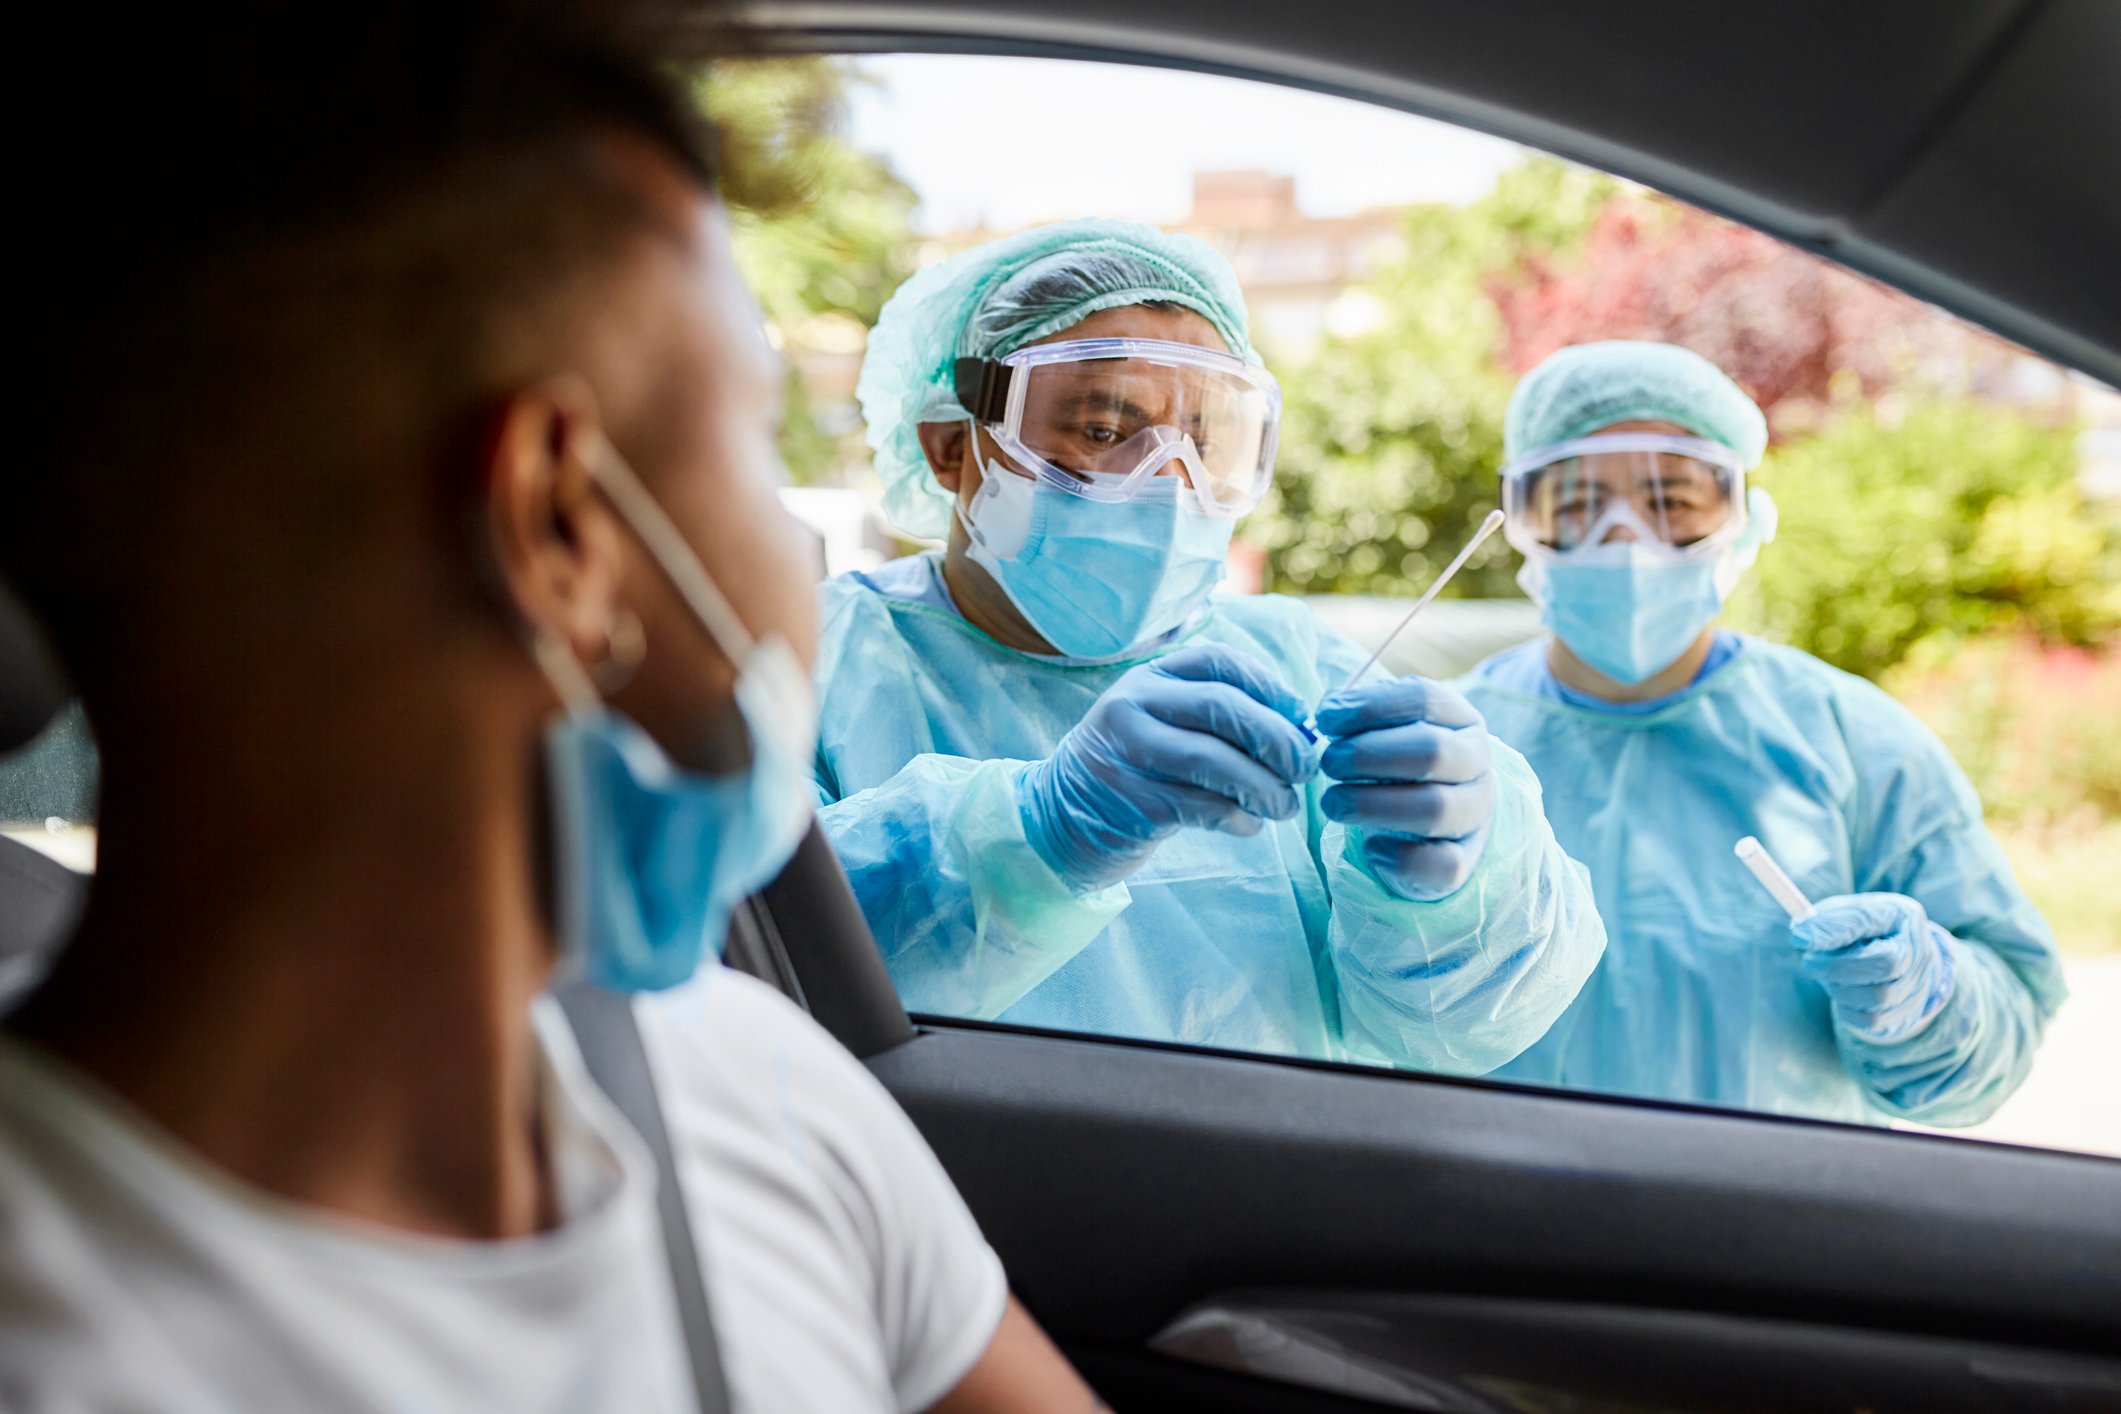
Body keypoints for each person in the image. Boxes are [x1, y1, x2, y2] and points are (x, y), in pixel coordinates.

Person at [0, 4, 1099, 1410]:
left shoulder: (754, 1090)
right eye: (756, 437)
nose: (797, 541)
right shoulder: (750, 1107)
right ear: (558, 522)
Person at [815, 220, 1604, 1072]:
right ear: (949, 445)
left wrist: (1455, 894)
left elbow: (1455, 1036)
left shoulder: (1292, 661)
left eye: (1205, 438)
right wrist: (1036, 834)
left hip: (1266, 1191)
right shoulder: (817, 661)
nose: (1167, 478)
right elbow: (741, 976)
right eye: (1101, 428)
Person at [1458, 339, 2067, 1126]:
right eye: (1576, 504)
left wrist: (1930, 998)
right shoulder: (1453, 749)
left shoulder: (1852, 742)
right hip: (1492, 1221)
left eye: (1672, 500)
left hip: (1765, 1227)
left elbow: (2006, 1022)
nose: (1623, 538)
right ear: (1522, 523)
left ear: (1742, 520)